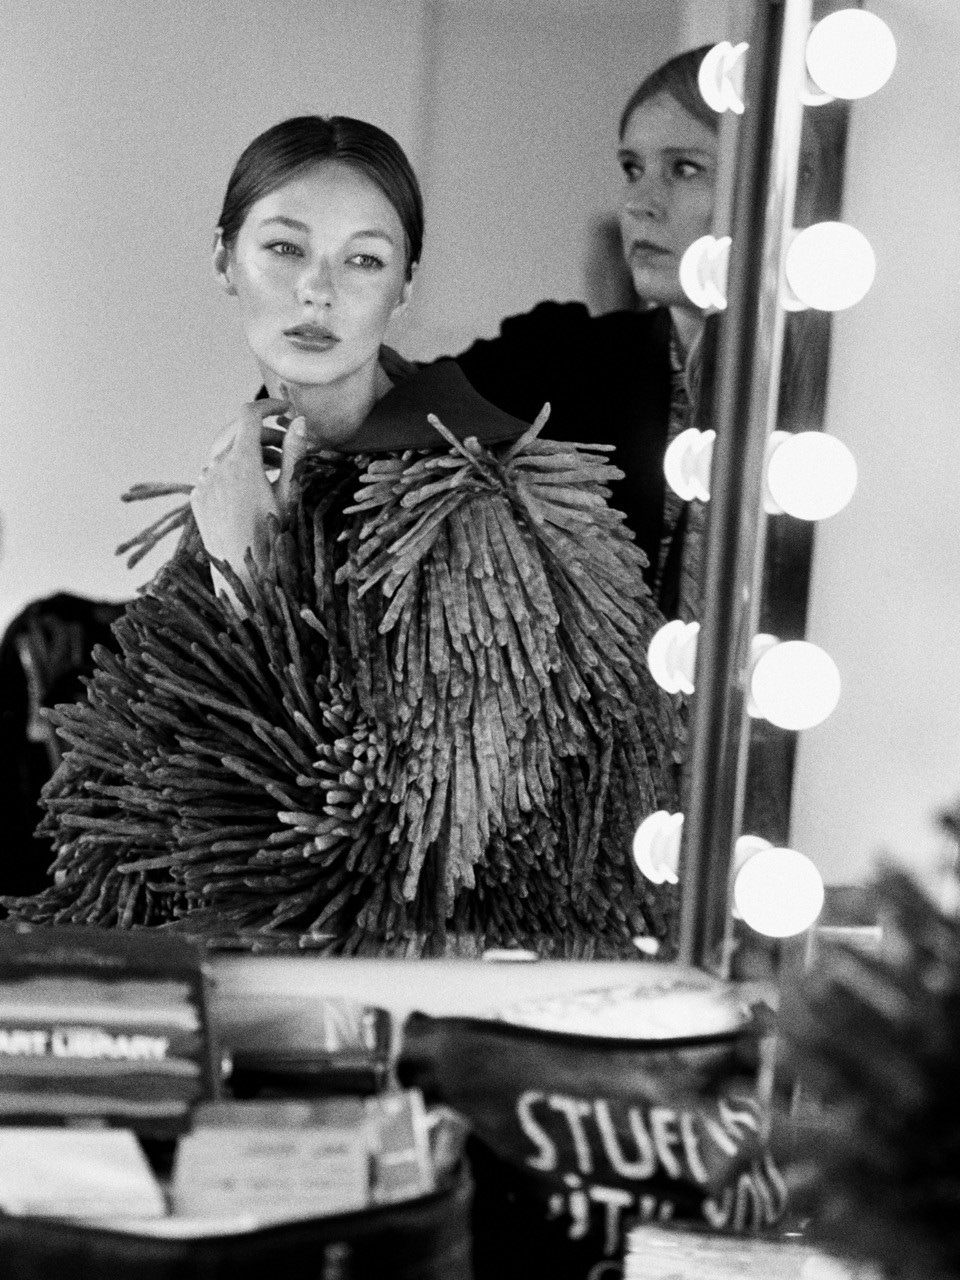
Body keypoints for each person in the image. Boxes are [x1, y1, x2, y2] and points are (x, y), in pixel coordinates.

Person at [6, 116, 683, 957]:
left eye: (363, 260)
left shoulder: (476, 514)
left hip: (444, 1001)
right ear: (223, 259)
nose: (317, 291)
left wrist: (249, 578)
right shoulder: (253, 476)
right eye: (284, 249)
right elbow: (134, 809)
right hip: (234, 989)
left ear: (403, 287)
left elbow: (376, 873)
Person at [449, 46, 719, 623]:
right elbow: (382, 409)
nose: (638, 204)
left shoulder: (843, 399)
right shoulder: (564, 360)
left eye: (685, 168)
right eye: (632, 169)